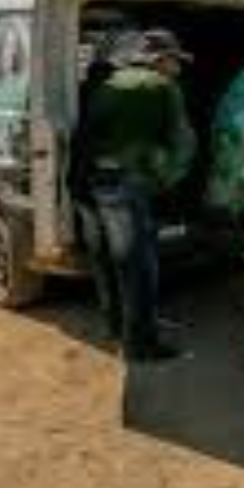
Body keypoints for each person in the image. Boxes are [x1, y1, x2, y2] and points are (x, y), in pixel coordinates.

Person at [72, 29, 197, 362]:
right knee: (138, 265)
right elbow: (183, 144)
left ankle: (115, 326)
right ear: (160, 59)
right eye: (176, 61)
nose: (179, 68)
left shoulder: (106, 82)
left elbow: (85, 131)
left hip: (90, 182)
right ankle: (141, 344)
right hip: (127, 185)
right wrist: (166, 180)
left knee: (106, 260)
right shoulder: (163, 87)